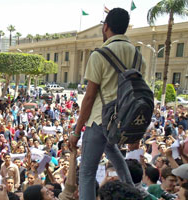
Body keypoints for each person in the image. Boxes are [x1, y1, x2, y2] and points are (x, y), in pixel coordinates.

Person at [69, 8, 141, 199]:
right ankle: (134, 190)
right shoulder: (137, 54)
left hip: (101, 119)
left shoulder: (99, 55)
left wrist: (76, 131)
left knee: (86, 172)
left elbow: (90, 97)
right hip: (124, 118)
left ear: (106, 26)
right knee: (110, 147)